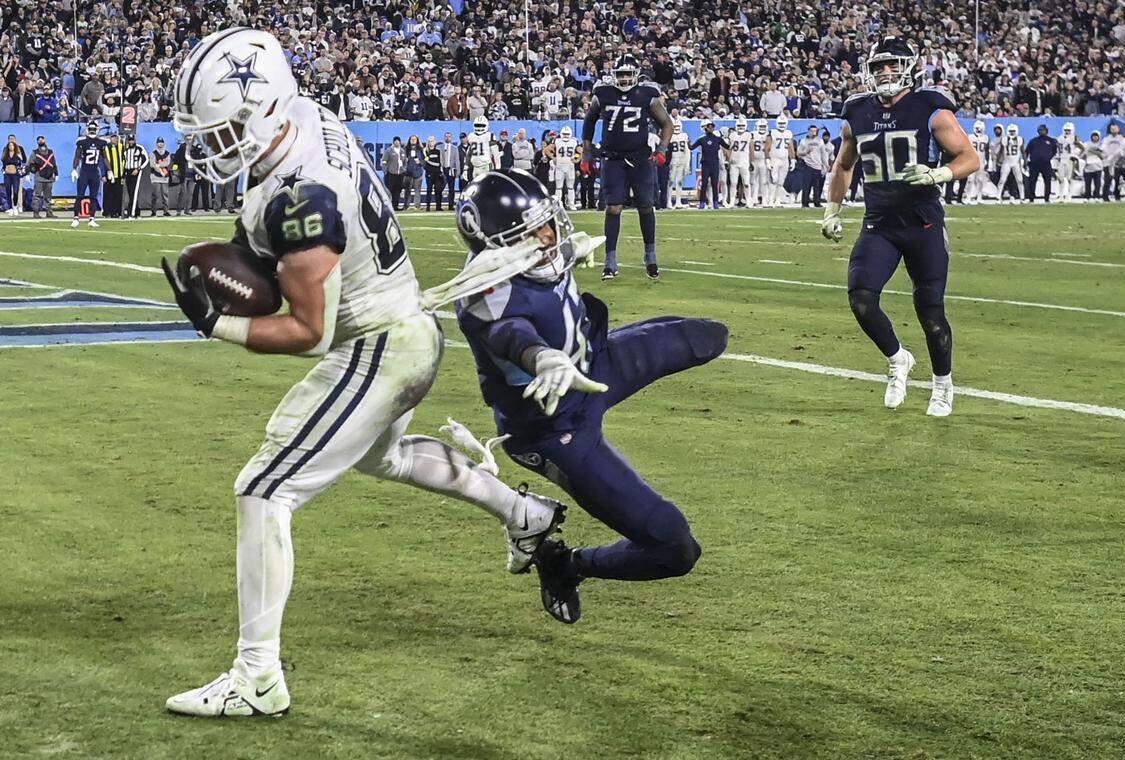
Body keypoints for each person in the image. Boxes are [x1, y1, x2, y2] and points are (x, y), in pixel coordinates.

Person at [161, 28, 566, 719]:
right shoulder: (309, 119)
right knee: (389, 457)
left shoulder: (303, 199)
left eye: (225, 130)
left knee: (263, 489)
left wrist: (217, 323)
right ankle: (526, 514)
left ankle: (256, 677)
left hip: (378, 343)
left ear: (262, 112)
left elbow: (309, 333)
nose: (215, 145)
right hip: (405, 325)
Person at [453, 170, 729, 624]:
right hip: (553, 427)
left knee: (708, 337)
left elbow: (550, 264)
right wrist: (541, 359)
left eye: (549, 223)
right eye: (532, 232)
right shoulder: (486, 294)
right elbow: (510, 333)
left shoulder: (537, 252)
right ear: (498, 248)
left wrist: (569, 250)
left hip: (594, 368)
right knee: (675, 547)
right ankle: (568, 564)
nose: (549, 235)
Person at [821, 36, 979, 418]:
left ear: (910, 67)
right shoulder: (857, 111)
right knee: (861, 298)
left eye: (892, 65)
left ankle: (943, 384)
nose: (885, 73)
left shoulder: (931, 109)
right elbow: (844, 165)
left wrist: (940, 172)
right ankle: (898, 359)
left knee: (930, 310)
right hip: (879, 223)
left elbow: (969, 158)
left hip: (922, 222)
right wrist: (832, 209)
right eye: (878, 67)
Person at [580, 54, 672, 281]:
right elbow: (589, 121)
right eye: (620, 75)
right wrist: (587, 151)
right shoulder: (603, 94)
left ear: (635, 75)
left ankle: (650, 255)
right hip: (613, 158)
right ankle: (611, 261)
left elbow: (666, 123)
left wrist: (661, 149)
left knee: (646, 206)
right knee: (613, 208)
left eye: (627, 75)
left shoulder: (647, 94)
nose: (623, 79)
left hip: (640, 158)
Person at [71, 122, 106, 227]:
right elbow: (77, 156)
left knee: (93, 197)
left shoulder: (101, 143)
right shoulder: (82, 142)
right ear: (87, 129)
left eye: (93, 129)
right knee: (80, 196)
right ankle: (76, 218)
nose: (92, 131)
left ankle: (91, 218)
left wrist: (108, 171)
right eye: (90, 129)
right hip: (84, 172)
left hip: (94, 172)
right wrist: (74, 168)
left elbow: (104, 158)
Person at [691, 120, 727, 210]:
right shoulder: (702, 139)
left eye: (712, 127)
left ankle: (715, 202)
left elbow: (727, 146)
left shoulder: (717, 139)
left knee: (715, 184)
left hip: (715, 163)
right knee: (704, 184)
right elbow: (692, 147)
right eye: (709, 127)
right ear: (706, 128)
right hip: (705, 163)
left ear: (714, 128)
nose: (710, 129)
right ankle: (702, 202)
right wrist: (688, 142)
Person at [24, 135, 57, 218]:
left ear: (44, 140)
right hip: (39, 177)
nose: (41, 141)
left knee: (48, 196)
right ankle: (36, 212)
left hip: (49, 177)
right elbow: (29, 163)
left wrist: (56, 173)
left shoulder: (50, 152)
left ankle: (49, 212)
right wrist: (27, 174)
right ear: (37, 142)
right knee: (37, 196)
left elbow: (54, 163)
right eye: (39, 140)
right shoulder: (34, 152)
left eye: (42, 139)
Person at [766, 114, 795, 206]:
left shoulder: (789, 133)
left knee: (781, 181)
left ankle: (777, 199)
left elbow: (790, 147)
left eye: (783, 123)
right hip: (774, 158)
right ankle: (770, 200)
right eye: (780, 123)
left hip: (784, 159)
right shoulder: (772, 132)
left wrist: (793, 159)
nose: (782, 125)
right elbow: (767, 148)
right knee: (774, 180)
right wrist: (767, 159)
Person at [1025, 124, 1058, 202]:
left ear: (1046, 131)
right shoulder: (1033, 141)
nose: (1041, 131)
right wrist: (1026, 161)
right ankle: (1031, 198)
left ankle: (1047, 198)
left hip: (1046, 164)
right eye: (1039, 130)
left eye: (1042, 130)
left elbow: (1054, 151)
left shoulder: (1051, 141)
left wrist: (1048, 157)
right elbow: (1027, 151)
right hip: (1034, 164)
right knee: (1032, 181)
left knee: (1047, 181)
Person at [726, 118, 754, 208]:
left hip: (744, 161)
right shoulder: (732, 135)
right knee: (733, 183)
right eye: (739, 126)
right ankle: (732, 201)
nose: (741, 127)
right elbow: (729, 149)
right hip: (734, 162)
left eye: (742, 125)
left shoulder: (748, 135)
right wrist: (727, 160)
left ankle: (748, 200)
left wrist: (751, 161)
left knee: (746, 182)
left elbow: (751, 149)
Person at [798, 124, 826, 208]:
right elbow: (798, 153)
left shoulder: (820, 141)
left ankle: (816, 202)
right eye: (812, 131)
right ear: (808, 131)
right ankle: (805, 203)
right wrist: (805, 152)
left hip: (817, 166)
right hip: (808, 165)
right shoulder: (803, 141)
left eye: (815, 131)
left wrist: (825, 164)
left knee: (817, 186)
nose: (814, 133)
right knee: (806, 185)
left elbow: (823, 153)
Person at [996, 124, 1025, 203]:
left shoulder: (1020, 139)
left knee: (1019, 180)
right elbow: (1001, 151)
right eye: (1010, 131)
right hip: (1006, 162)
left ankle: (1022, 197)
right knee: (1002, 180)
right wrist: (997, 161)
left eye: (1013, 131)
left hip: (1016, 163)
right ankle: (998, 197)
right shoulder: (1004, 139)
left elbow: (1023, 151)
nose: (1012, 133)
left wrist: (1025, 162)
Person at [122, 134, 149, 218]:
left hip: (136, 171)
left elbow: (146, 159)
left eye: (132, 140)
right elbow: (123, 162)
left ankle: (132, 213)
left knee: (134, 192)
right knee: (130, 193)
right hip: (128, 171)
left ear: (135, 140)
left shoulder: (139, 148)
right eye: (129, 140)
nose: (131, 142)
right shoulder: (125, 150)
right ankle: (136, 212)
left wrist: (138, 168)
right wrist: (123, 175)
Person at [552, 125, 579, 210]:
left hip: (570, 165)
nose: (566, 136)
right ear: (561, 134)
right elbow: (547, 150)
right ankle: (558, 205)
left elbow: (580, 151)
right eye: (564, 134)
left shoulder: (575, 141)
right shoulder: (556, 141)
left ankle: (571, 204)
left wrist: (576, 158)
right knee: (558, 187)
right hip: (559, 166)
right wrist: (553, 157)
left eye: (567, 134)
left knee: (570, 187)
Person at [1101, 123, 1125, 201]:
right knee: (1107, 180)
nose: (1113, 130)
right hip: (1108, 163)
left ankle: (1119, 196)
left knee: (1119, 181)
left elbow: (1123, 151)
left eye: (1115, 128)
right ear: (1110, 130)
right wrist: (1108, 158)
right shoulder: (1106, 139)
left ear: (1118, 129)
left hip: (1119, 163)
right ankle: (1105, 197)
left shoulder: (1122, 139)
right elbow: (1103, 149)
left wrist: (1114, 156)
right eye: (1112, 129)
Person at [668, 116, 691, 209]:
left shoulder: (684, 136)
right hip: (672, 161)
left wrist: (687, 163)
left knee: (679, 182)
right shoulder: (670, 136)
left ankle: (678, 201)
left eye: (678, 126)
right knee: (670, 182)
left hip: (681, 160)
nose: (677, 128)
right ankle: (669, 201)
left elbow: (687, 150)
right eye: (675, 126)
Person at [964, 121, 990, 204]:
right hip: (972, 161)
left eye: (980, 129)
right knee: (970, 179)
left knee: (980, 180)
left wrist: (987, 161)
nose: (978, 130)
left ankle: (979, 197)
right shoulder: (970, 137)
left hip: (981, 161)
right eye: (977, 129)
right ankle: (968, 196)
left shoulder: (986, 137)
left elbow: (987, 151)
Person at [1055, 122, 1082, 202]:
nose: (1067, 132)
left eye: (1068, 130)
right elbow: (1057, 149)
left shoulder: (1075, 138)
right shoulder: (1059, 138)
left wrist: (1076, 155)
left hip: (1070, 159)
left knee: (1070, 179)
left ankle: (1069, 195)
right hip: (1061, 159)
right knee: (1060, 179)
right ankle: (1060, 195)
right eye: (1066, 130)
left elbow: (1082, 148)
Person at [101, 133, 124, 218]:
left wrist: (123, 174)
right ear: (110, 139)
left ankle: (117, 211)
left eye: (116, 138)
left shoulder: (121, 147)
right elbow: (102, 161)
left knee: (118, 194)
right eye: (113, 138)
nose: (115, 140)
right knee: (108, 194)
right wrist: (103, 174)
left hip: (119, 175)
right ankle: (107, 212)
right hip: (109, 174)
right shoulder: (106, 147)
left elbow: (124, 160)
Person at [749, 119, 770, 207]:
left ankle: (764, 199)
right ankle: (754, 198)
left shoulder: (769, 135)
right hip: (755, 159)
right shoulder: (752, 134)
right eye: (760, 126)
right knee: (753, 181)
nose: (762, 128)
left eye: (763, 126)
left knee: (764, 181)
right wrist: (750, 160)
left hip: (764, 160)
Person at [381, 136, 406, 210]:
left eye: (398, 141)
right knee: (389, 191)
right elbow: (384, 161)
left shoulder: (402, 151)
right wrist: (385, 171)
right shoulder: (389, 151)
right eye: (395, 141)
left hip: (399, 175)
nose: (397, 142)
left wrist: (403, 170)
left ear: (400, 142)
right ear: (393, 142)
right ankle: (388, 207)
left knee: (397, 191)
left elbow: (405, 162)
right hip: (391, 174)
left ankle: (395, 206)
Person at [149, 137, 172, 217]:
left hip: (165, 177)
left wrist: (158, 164)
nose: (160, 144)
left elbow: (167, 163)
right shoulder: (153, 153)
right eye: (159, 142)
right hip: (155, 176)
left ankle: (166, 211)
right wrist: (159, 167)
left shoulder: (167, 153)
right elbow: (152, 164)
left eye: (161, 142)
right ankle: (153, 211)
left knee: (165, 195)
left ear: (164, 143)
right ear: (156, 143)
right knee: (155, 195)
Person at [2, 134, 24, 215]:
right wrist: (3, 170)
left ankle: (15, 206)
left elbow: (22, 162)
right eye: (9, 145)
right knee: (8, 191)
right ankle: (10, 207)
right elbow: (3, 162)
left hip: (15, 175)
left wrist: (23, 172)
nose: (11, 146)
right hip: (7, 175)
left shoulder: (18, 152)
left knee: (15, 191)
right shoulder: (5, 153)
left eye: (12, 145)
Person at [403, 134, 425, 210]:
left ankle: (417, 206)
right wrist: (405, 161)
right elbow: (401, 160)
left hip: (418, 173)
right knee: (407, 190)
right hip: (407, 173)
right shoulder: (405, 149)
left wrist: (420, 162)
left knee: (417, 190)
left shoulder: (421, 149)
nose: (413, 140)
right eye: (411, 139)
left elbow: (425, 161)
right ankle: (406, 206)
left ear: (417, 140)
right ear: (409, 140)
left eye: (414, 139)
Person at [423, 135, 444, 211]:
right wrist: (435, 164)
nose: (431, 142)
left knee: (438, 191)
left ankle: (438, 207)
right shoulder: (425, 151)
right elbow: (426, 162)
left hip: (437, 174)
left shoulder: (438, 151)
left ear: (435, 142)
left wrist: (440, 170)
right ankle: (428, 207)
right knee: (429, 190)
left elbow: (440, 162)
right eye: (429, 141)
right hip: (429, 174)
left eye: (432, 141)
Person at [1082, 131, 1105, 199]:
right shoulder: (1087, 144)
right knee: (1087, 184)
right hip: (1088, 167)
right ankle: (1087, 197)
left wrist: (1092, 151)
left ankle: (1097, 196)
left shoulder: (1101, 144)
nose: (1095, 137)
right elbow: (1084, 154)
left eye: (1096, 136)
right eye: (1093, 136)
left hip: (1098, 167)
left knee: (1097, 184)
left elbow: (1102, 155)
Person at [439, 132, 459, 210]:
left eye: (449, 136)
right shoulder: (439, 147)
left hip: (451, 170)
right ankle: (439, 205)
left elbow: (457, 160)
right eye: (446, 136)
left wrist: (458, 172)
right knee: (440, 188)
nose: (448, 138)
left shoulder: (455, 148)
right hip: (442, 169)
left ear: (451, 138)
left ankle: (451, 205)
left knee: (451, 189)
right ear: (444, 138)